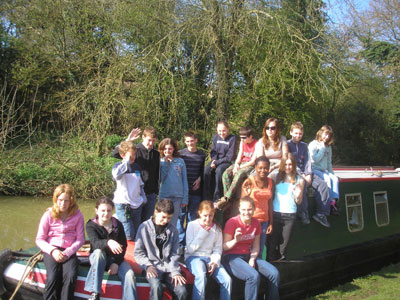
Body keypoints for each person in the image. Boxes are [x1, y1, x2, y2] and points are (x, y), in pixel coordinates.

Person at [222, 197, 280, 300]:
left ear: (254, 209)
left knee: (274, 273)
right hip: (231, 257)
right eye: (243, 209)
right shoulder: (232, 222)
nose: (246, 212)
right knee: (253, 276)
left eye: (249, 209)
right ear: (239, 209)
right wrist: (235, 240)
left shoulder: (256, 223)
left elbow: (256, 246)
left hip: (248, 255)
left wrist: (252, 259)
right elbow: (224, 247)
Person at [35, 184, 85, 300]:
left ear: (71, 201)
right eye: (60, 200)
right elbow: (40, 239)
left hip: (69, 250)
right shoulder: (48, 215)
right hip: (52, 249)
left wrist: (67, 253)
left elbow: (80, 239)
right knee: (52, 276)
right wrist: (53, 251)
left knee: (71, 276)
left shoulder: (78, 215)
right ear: (56, 199)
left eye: (66, 201)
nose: (63, 204)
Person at [84, 197, 138, 300]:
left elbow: (123, 246)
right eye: (103, 211)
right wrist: (108, 242)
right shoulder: (91, 225)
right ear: (97, 211)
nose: (106, 213)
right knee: (99, 253)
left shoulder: (118, 224)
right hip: (98, 258)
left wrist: (116, 263)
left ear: (112, 210)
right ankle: (95, 293)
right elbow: (95, 243)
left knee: (130, 275)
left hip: (114, 258)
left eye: (109, 210)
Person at [134, 199, 188, 300]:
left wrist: (175, 271)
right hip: (152, 267)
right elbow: (138, 252)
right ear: (156, 212)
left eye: (169, 218)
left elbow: (175, 254)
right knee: (156, 286)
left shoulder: (173, 231)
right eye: (163, 217)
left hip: (169, 267)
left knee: (182, 290)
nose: (165, 221)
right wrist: (148, 265)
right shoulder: (144, 227)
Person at [185, 201, 232, 300]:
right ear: (199, 213)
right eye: (205, 216)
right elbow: (190, 249)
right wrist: (203, 232)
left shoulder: (217, 229)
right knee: (201, 276)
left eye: (210, 216)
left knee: (227, 280)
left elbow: (218, 249)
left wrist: (214, 261)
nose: (207, 219)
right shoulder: (192, 225)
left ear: (214, 214)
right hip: (194, 257)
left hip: (210, 258)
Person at [287, 122, 331, 227]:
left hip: (306, 173)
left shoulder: (304, 146)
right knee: (303, 187)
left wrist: (309, 174)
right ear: (291, 132)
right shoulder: (287, 145)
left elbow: (308, 162)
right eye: (296, 133)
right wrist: (301, 174)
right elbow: (290, 162)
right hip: (294, 172)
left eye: (300, 134)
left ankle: (321, 213)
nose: (298, 136)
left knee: (323, 185)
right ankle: (303, 213)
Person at [112, 127, 160, 223]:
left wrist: (156, 191)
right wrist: (128, 140)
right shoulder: (135, 150)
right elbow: (116, 154)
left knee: (147, 222)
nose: (151, 143)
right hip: (135, 194)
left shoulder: (156, 154)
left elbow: (157, 173)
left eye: (153, 141)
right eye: (149, 140)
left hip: (151, 194)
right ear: (143, 137)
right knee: (135, 223)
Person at [268, 153, 304, 261]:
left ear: (294, 165)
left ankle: (280, 265)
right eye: (286, 164)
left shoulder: (299, 180)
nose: (288, 167)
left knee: (283, 246)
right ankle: (270, 267)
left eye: (290, 164)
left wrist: (298, 196)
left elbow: (299, 202)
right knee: (271, 244)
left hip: (290, 215)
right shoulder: (275, 176)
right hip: (275, 214)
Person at [112, 141, 147, 240]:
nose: (133, 157)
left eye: (134, 155)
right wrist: (126, 161)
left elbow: (140, 184)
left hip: (137, 204)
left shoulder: (137, 167)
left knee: (137, 233)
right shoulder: (117, 166)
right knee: (129, 233)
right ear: (123, 155)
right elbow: (116, 176)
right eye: (131, 155)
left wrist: (143, 198)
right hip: (123, 204)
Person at [216, 126, 257, 210]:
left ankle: (226, 198)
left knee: (238, 174)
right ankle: (228, 199)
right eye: (240, 137)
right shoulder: (242, 143)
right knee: (226, 174)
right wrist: (236, 165)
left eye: (244, 138)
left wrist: (240, 167)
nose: (242, 139)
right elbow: (240, 155)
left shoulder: (257, 144)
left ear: (250, 136)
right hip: (241, 163)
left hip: (249, 165)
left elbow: (253, 161)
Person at [241, 156, 274, 259]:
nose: (262, 170)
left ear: (269, 169)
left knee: (259, 249)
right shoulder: (249, 182)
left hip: (264, 222)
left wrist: (271, 223)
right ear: (255, 167)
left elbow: (270, 203)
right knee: (248, 249)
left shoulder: (270, 182)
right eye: (260, 168)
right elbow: (243, 203)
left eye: (265, 168)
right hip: (251, 221)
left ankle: (258, 270)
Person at [178, 132, 206, 243]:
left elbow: (203, 171)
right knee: (180, 217)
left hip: (195, 191)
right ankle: (180, 243)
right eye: (188, 141)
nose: (190, 143)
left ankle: (188, 242)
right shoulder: (181, 154)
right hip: (182, 191)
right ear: (185, 142)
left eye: (192, 140)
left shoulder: (201, 155)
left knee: (192, 218)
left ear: (196, 140)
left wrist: (200, 179)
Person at [308, 125, 340, 216]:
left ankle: (333, 203)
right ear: (320, 133)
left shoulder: (328, 147)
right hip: (314, 169)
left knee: (334, 179)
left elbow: (329, 163)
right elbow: (314, 160)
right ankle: (328, 204)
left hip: (323, 170)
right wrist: (322, 148)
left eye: (329, 136)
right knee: (327, 179)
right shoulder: (313, 144)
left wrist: (332, 174)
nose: (327, 137)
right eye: (325, 134)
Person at [158, 138, 189, 227]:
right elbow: (161, 178)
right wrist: (166, 164)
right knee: (162, 221)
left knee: (173, 223)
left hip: (177, 197)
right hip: (164, 196)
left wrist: (185, 198)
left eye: (170, 149)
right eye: (165, 149)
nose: (167, 151)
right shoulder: (160, 161)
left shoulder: (180, 161)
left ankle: (171, 240)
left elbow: (184, 180)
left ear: (174, 149)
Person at [203, 120, 237, 202]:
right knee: (206, 171)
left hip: (226, 162)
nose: (222, 133)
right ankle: (206, 196)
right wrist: (214, 160)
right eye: (220, 131)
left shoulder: (232, 139)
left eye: (224, 130)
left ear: (228, 129)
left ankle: (217, 196)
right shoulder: (216, 137)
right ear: (217, 130)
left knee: (219, 171)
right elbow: (213, 152)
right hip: (216, 160)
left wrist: (217, 163)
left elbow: (230, 156)